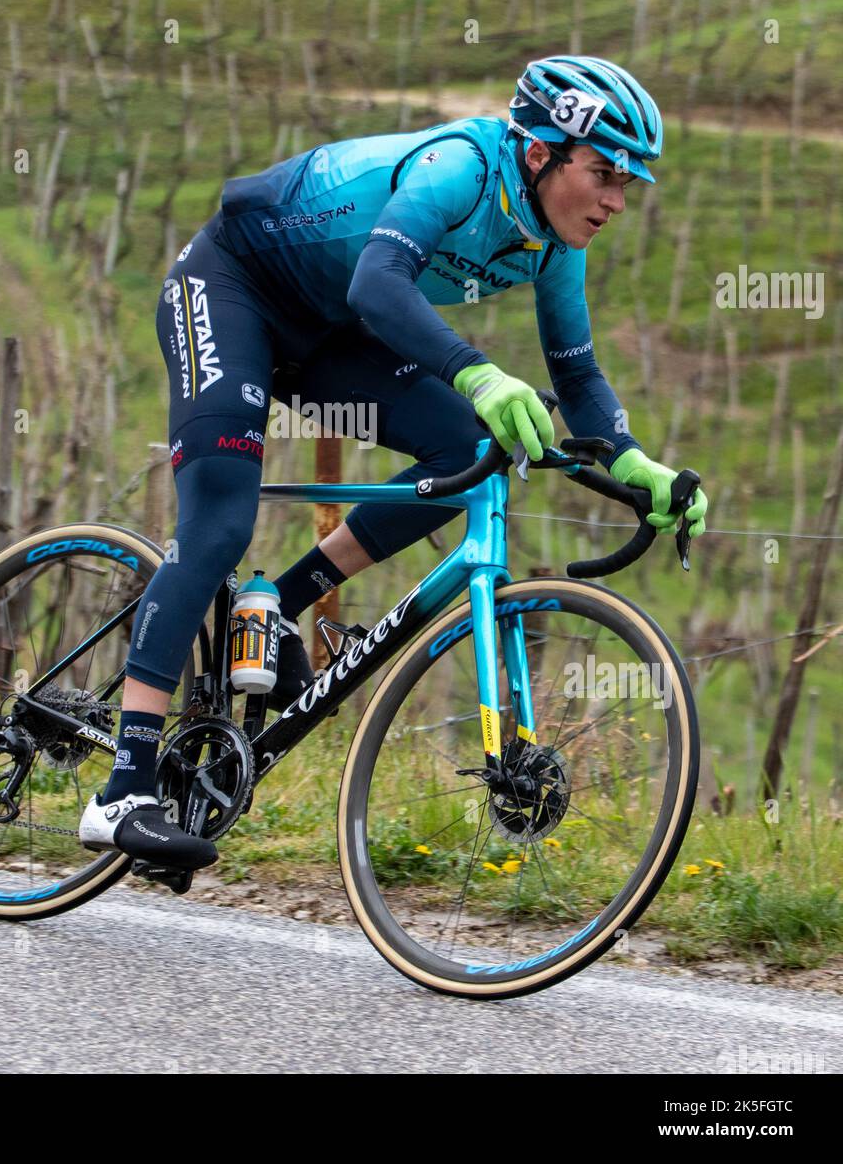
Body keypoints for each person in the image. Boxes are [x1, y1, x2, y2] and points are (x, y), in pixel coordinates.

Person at [78, 54, 709, 868]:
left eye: (628, 183)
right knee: (220, 523)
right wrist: (477, 371)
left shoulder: (555, 246)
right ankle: (122, 790)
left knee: (471, 453)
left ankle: (278, 598)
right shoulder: (460, 169)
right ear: (539, 152)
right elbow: (380, 283)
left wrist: (640, 468)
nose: (617, 201)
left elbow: (578, 375)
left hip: (330, 332)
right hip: (234, 287)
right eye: (603, 174)